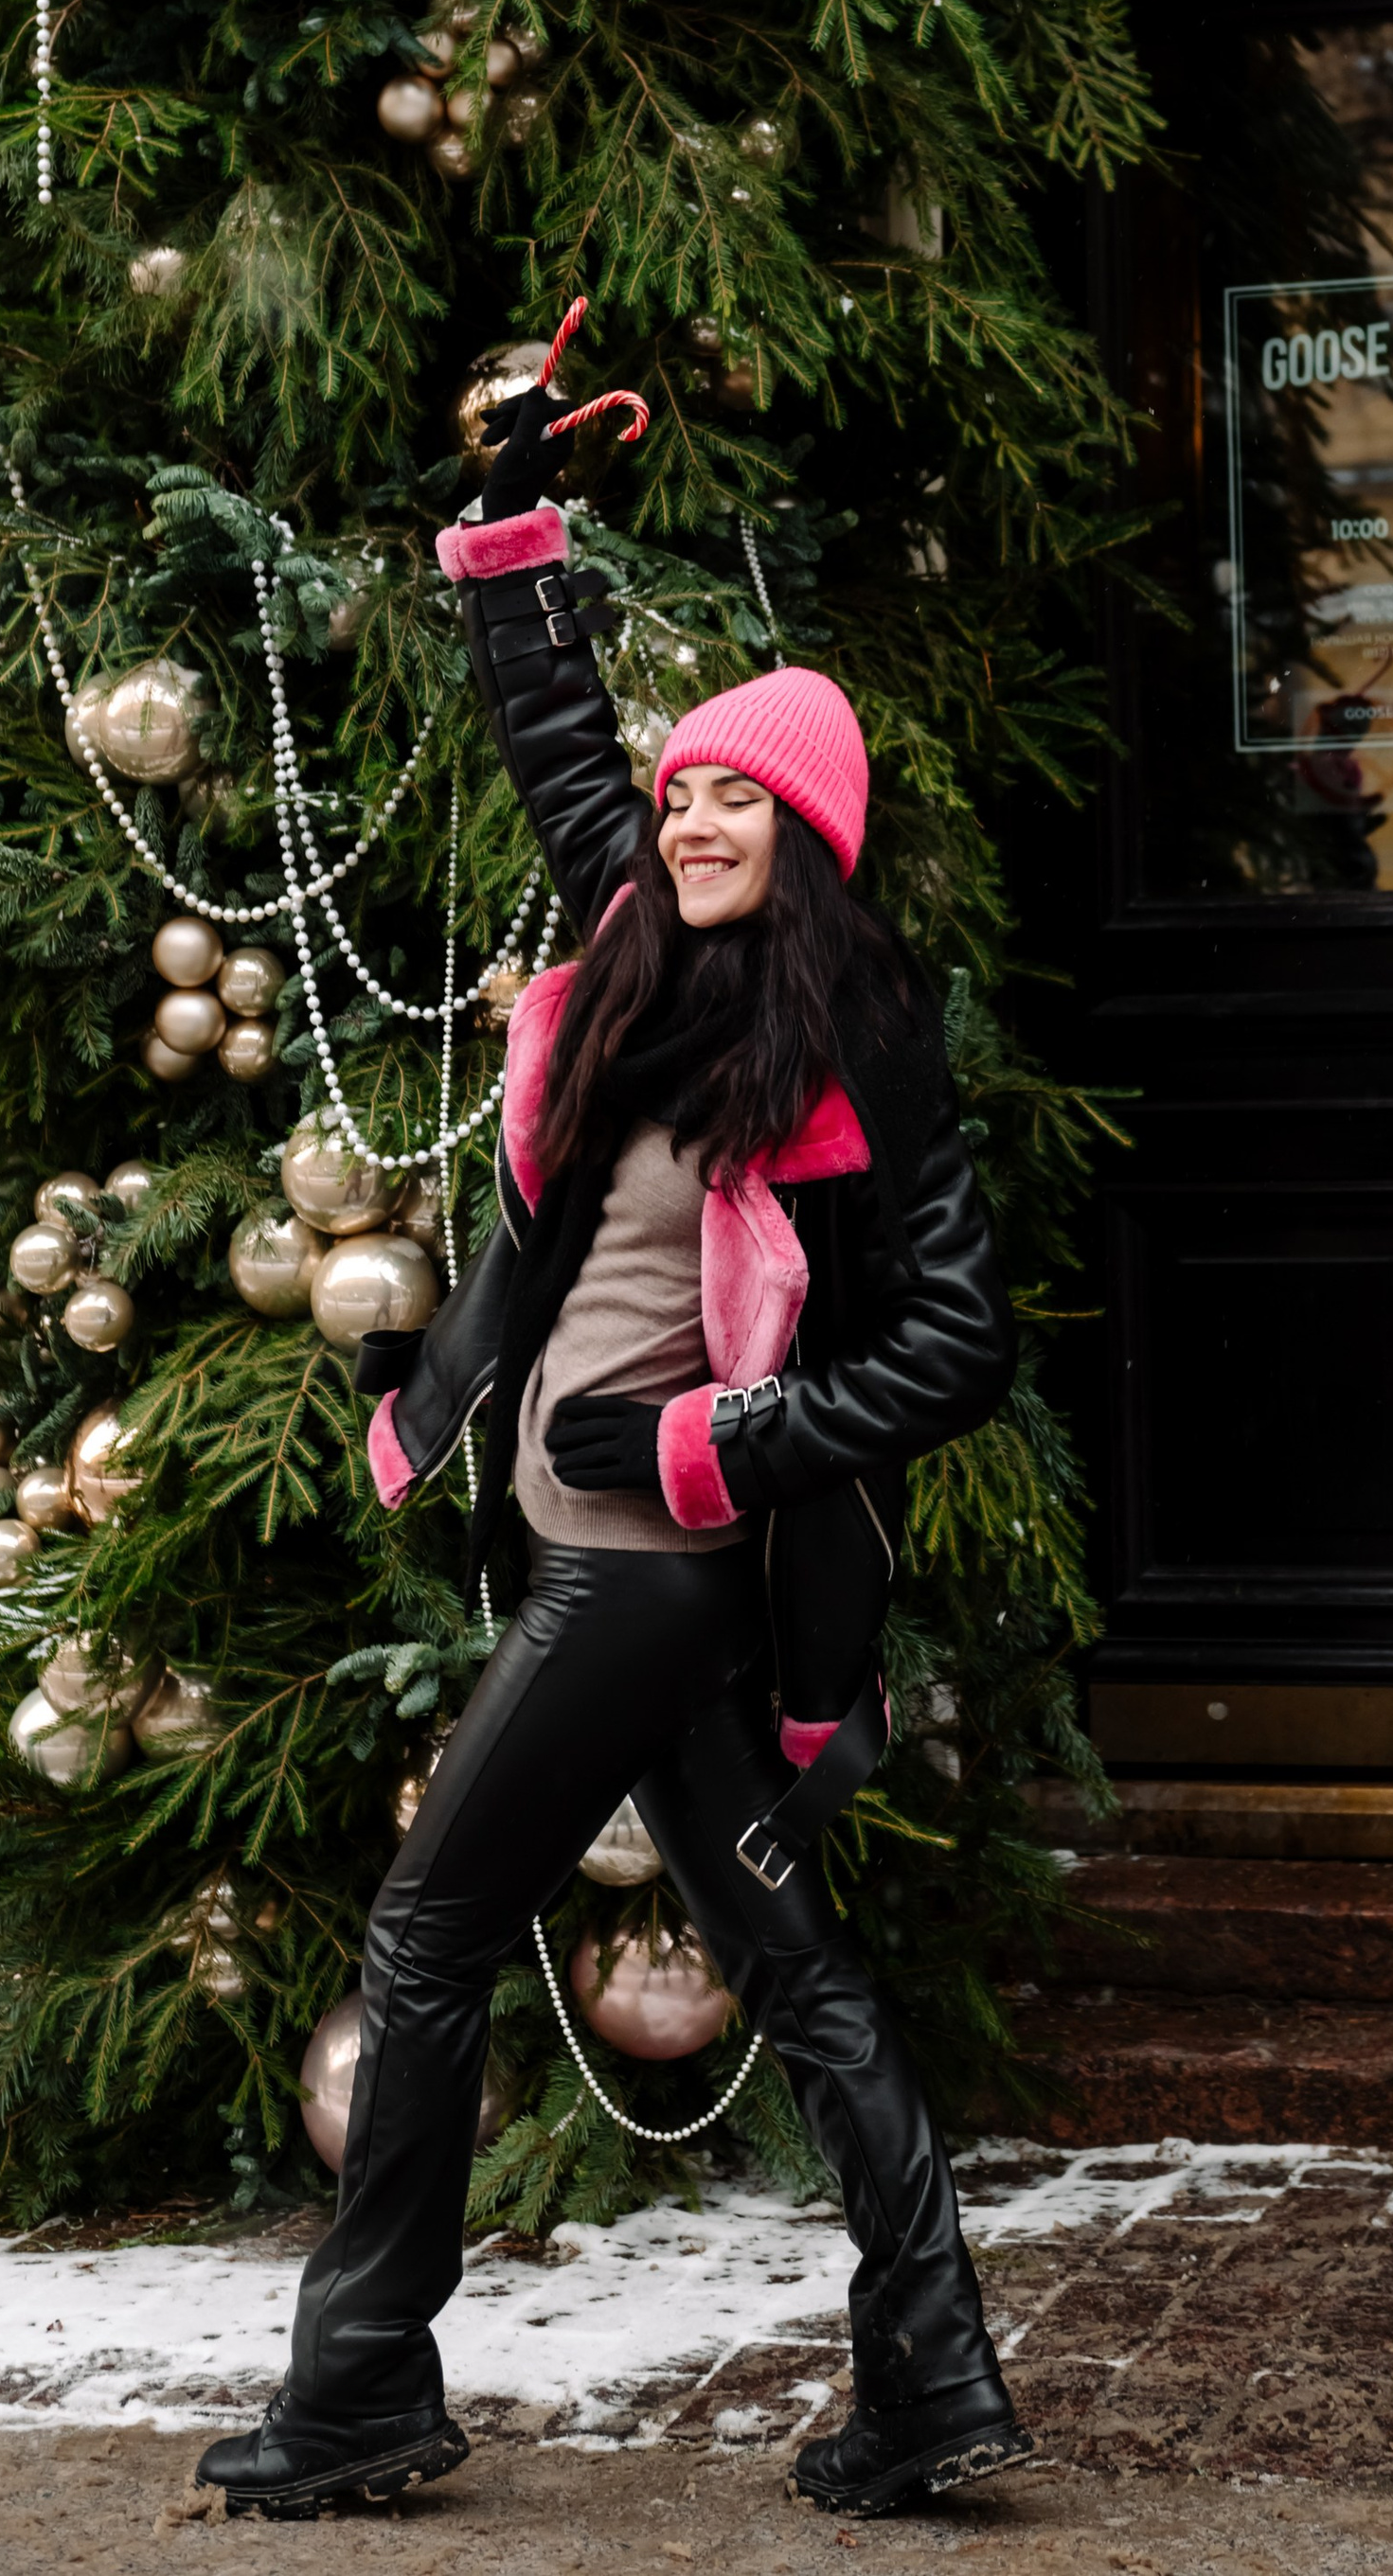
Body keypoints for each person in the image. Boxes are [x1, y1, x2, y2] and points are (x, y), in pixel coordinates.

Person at [197, 364, 1030, 2525]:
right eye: (678, 798)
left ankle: (362, 2384)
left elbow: (955, 1344)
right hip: (598, 1548)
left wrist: (708, 1448)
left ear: (808, 828)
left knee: (424, 1932)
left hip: (651, 1569)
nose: (684, 819)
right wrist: (510, 501)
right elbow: (551, 723)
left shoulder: (853, 1041)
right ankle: (934, 2383)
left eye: (733, 798)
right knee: (796, 1968)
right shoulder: (639, 958)